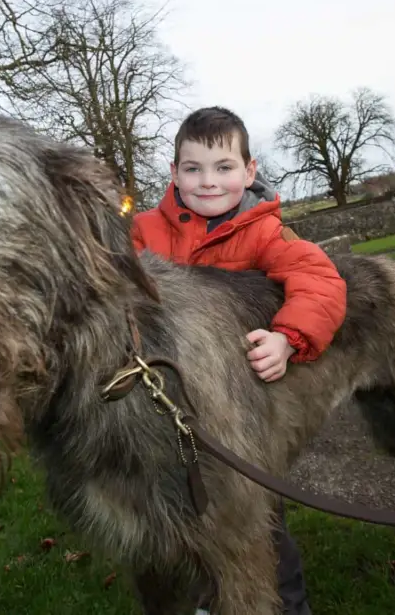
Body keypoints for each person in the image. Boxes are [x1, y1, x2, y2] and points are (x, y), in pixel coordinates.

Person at [130, 106, 348, 615]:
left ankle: (288, 605)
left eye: (223, 167)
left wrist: (288, 337)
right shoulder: (144, 233)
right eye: (193, 168)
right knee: (178, 507)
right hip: (168, 398)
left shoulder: (262, 232)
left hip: (236, 403)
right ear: (174, 173)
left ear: (249, 171)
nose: (208, 182)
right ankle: (205, 597)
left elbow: (321, 280)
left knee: (257, 513)